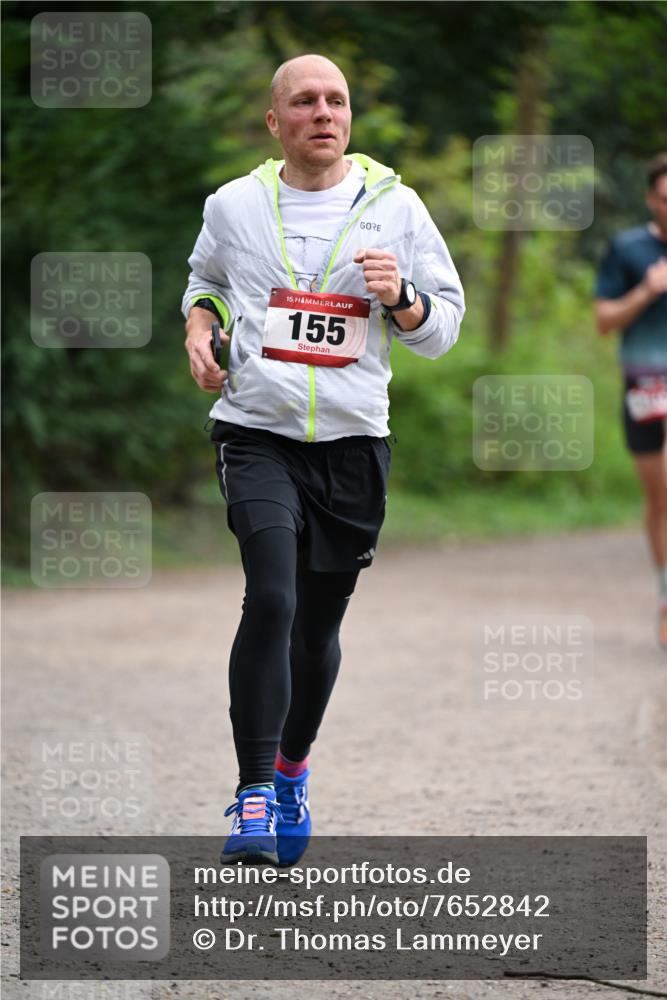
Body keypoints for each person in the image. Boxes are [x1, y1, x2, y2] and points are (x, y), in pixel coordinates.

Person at [182, 53, 465, 865]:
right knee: (268, 599)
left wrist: (402, 298)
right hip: (255, 429)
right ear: (275, 122)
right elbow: (204, 284)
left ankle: (293, 766)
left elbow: (442, 328)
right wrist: (201, 335)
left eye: (336, 99)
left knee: (316, 628)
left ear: (349, 116)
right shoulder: (234, 205)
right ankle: (253, 797)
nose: (322, 112)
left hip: (351, 444)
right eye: (303, 101)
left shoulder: (397, 208)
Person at [595, 152, 667, 649]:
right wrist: (647, 290)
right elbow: (604, 320)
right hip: (647, 384)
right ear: (651, 198)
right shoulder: (628, 249)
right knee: (661, 499)